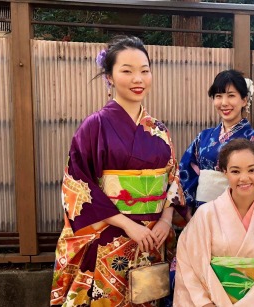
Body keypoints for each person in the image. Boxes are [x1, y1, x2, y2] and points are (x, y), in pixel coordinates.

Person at [50, 36, 187, 306]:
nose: (138, 78)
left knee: (148, 296)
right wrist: (127, 224)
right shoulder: (94, 126)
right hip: (109, 236)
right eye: (127, 70)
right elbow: (78, 184)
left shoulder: (159, 130)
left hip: (151, 238)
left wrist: (166, 220)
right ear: (109, 76)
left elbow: (173, 178)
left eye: (144, 70)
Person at [174, 139, 254, 307]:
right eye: (235, 171)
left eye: (252, 170)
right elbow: (189, 265)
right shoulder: (206, 215)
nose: (244, 178)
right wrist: (205, 304)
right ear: (224, 172)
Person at [179, 70, 254, 212]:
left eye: (231, 96)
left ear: (244, 100)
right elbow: (185, 171)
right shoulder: (203, 137)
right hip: (202, 211)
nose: (224, 103)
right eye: (218, 96)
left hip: (238, 212)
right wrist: (187, 209)